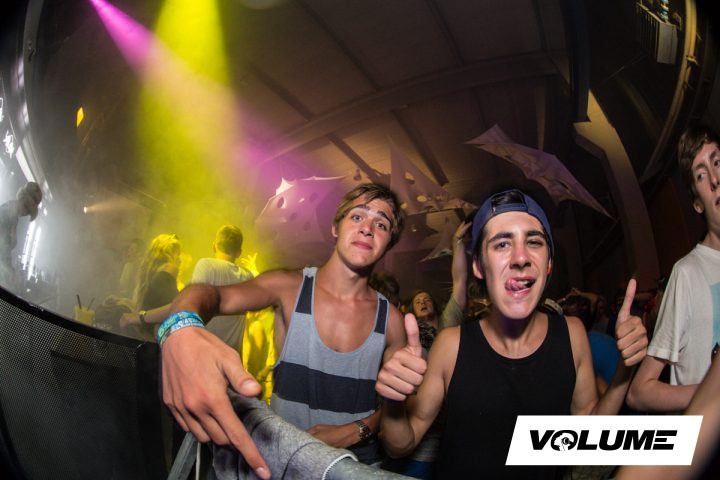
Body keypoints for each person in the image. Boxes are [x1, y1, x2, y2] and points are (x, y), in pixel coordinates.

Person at [375, 188, 648, 479]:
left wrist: (624, 372)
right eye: (502, 244)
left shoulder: (572, 334)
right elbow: (400, 446)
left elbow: (587, 439)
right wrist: (394, 402)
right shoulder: (451, 345)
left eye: (534, 241)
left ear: (549, 263)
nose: (520, 257)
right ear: (479, 266)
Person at [160, 183, 406, 478]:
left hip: (356, 469)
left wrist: (357, 430)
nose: (367, 228)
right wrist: (181, 327)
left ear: (388, 242)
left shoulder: (392, 321)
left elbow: (397, 410)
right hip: (282, 466)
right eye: (357, 216)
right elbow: (210, 295)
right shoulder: (288, 287)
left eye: (381, 224)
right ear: (335, 228)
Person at [628, 125, 720, 413]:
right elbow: (639, 392)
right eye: (701, 176)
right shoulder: (688, 273)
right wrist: (710, 394)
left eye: (717, 162)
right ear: (697, 204)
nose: (715, 179)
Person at [190, 224, 254, 353]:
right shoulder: (248, 277)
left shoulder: (206, 265)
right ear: (239, 253)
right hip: (232, 358)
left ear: (214, 246)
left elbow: (191, 308)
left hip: (204, 354)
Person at [132, 233, 182, 340]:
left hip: (144, 334)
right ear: (169, 254)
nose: (180, 260)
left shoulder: (149, 274)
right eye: (178, 255)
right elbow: (174, 309)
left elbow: (148, 305)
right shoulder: (170, 268)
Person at [0, 182, 42, 289]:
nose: (25, 212)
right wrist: (10, 272)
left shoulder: (14, 218)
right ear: (21, 197)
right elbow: (2, 251)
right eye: (26, 207)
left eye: (28, 212)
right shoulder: (6, 213)